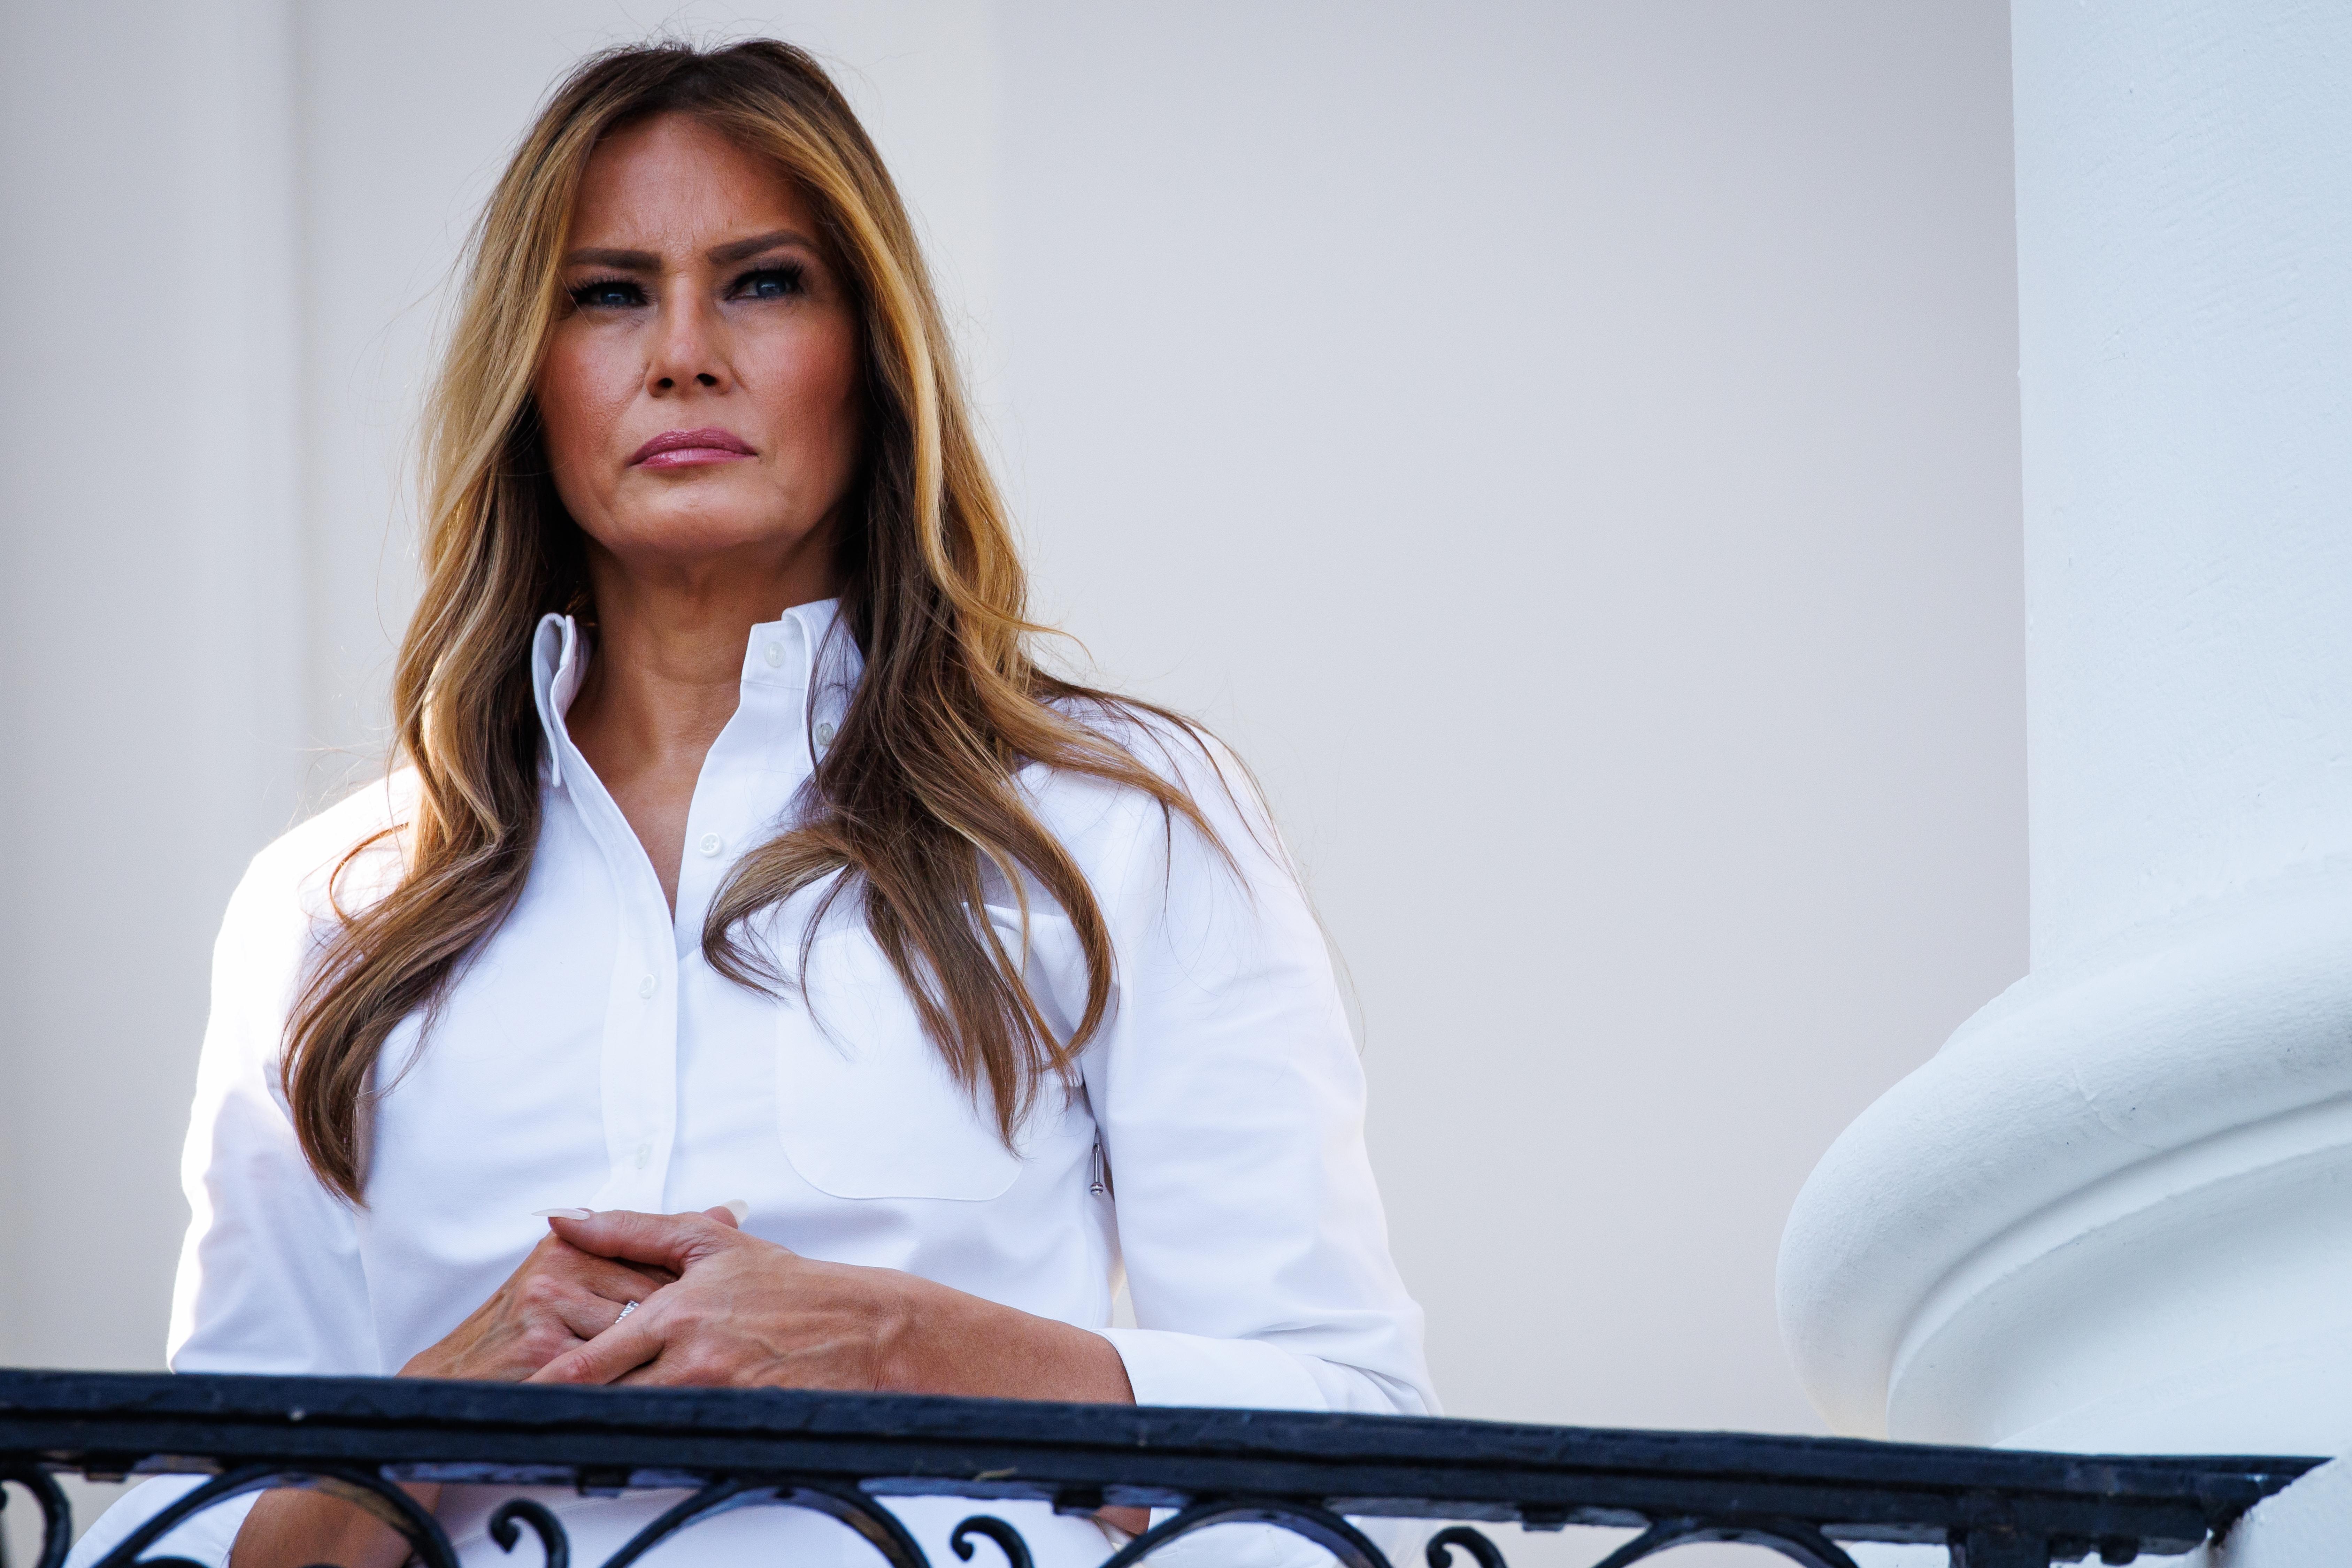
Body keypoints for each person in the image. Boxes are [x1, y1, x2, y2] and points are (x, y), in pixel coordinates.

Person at [70, 38, 1432, 1568]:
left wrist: (898, 1344)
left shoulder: (1118, 823)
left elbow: (1347, 1438)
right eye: (609, 292)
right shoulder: (332, 908)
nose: (683, 354)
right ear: (531, 370)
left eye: (764, 282)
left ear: (872, 349)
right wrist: (438, 1407)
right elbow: (188, 1527)